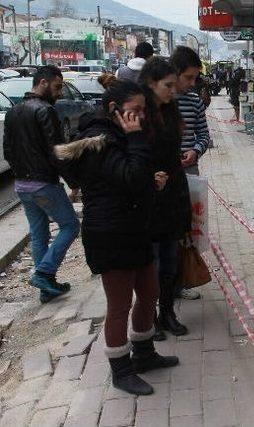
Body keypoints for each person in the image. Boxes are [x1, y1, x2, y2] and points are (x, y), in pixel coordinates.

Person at [55, 78, 178, 396]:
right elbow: (130, 178)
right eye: (134, 111)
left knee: (149, 292)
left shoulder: (117, 136)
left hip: (133, 228)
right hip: (110, 235)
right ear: (114, 110)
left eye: (143, 110)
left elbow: (129, 180)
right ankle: (121, 370)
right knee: (120, 305)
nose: (141, 116)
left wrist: (151, 181)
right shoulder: (100, 141)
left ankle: (144, 353)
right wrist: (138, 146)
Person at [2, 65, 80, 304]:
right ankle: (44, 274)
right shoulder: (45, 111)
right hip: (43, 184)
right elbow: (57, 152)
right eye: (57, 87)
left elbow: (8, 150)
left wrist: (21, 174)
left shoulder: (14, 111)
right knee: (70, 226)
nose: (59, 93)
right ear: (43, 82)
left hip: (22, 186)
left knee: (39, 234)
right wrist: (73, 182)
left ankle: (46, 288)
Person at [139, 58, 191, 340]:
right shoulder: (137, 114)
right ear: (150, 83)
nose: (174, 90)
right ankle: (148, 319)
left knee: (170, 260)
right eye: (168, 85)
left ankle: (167, 311)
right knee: (153, 261)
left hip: (172, 192)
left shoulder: (170, 112)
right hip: (148, 196)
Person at [169, 46, 211, 300]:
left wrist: (195, 150)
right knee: (167, 232)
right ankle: (166, 284)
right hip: (164, 176)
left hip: (189, 175)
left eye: (195, 78)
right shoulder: (159, 99)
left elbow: (205, 136)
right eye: (188, 77)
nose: (192, 83)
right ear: (174, 73)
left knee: (187, 230)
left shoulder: (194, 101)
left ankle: (181, 281)